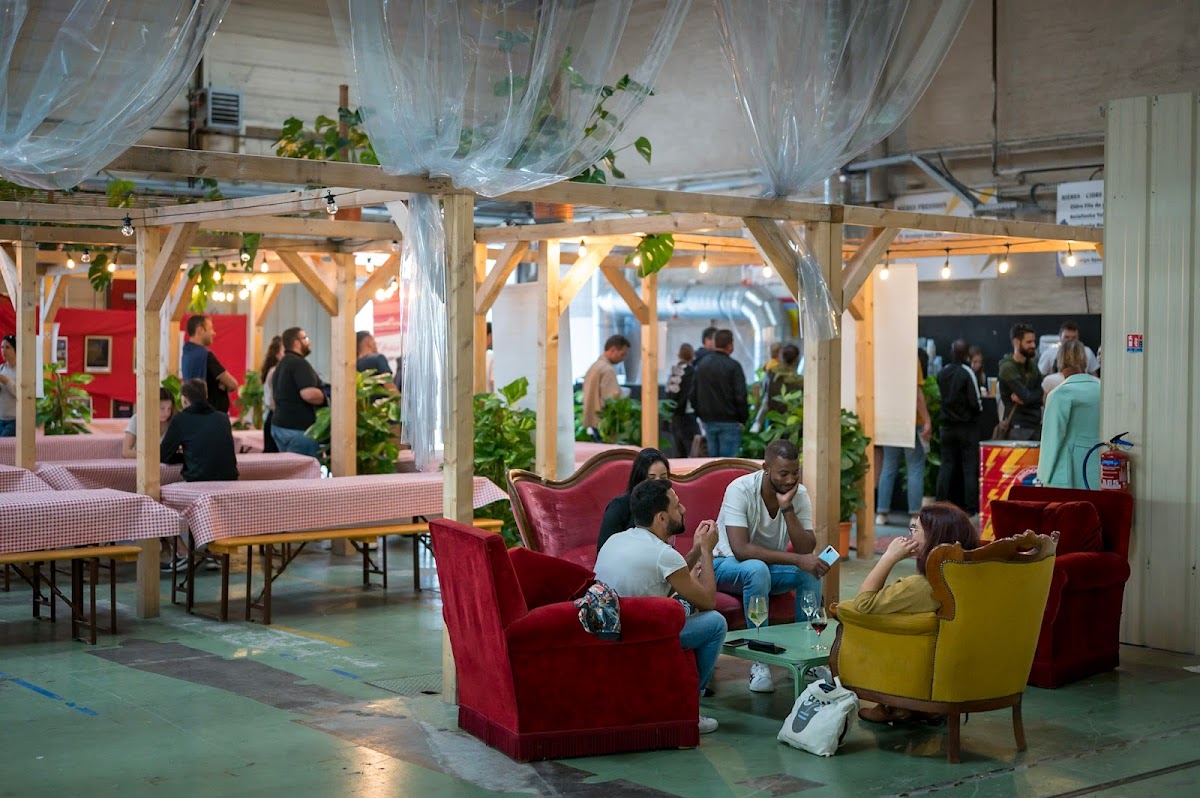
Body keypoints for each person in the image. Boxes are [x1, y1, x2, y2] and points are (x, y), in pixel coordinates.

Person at [594, 478, 727, 735]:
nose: (683, 509)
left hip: (612, 628)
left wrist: (695, 549)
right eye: (677, 506)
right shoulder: (662, 554)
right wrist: (707, 551)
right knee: (715, 623)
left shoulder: (616, 540)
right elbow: (709, 601)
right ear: (662, 518)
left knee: (685, 601)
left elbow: (663, 582)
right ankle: (688, 707)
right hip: (638, 636)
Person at [713, 439, 830, 692]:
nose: (790, 480)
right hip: (724, 566)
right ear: (765, 468)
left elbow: (805, 547)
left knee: (809, 572)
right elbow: (741, 549)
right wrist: (797, 560)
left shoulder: (798, 494)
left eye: (795, 473)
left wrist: (787, 508)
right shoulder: (740, 489)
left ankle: (805, 657)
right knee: (756, 568)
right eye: (783, 473)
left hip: (766, 570)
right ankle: (760, 660)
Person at [850, 502, 980, 725]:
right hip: (962, 667)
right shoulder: (970, 577)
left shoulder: (924, 586)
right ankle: (914, 709)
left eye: (915, 529)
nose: (910, 534)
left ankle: (893, 704)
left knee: (851, 615)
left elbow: (863, 604)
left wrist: (888, 558)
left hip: (920, 665)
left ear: (933, 537)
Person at [1037, 341, 1101, 489]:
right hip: (1098, 470)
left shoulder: (1059, 394)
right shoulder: (1102, 388)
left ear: (1060, 361)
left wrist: (1043, 476)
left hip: (1068, 473)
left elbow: (1052, 438)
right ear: (1085, 359)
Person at [876, 358, 932, 525]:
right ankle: (914, 516)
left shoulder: (884, 360)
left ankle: (881, 513)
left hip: (889, 419)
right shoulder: (911, 358)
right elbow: (917, 393)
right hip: (911, 420)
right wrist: (927, 419)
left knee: (888, 467)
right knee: (915, 468)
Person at [160, 379, 238, 482]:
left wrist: (186, 457)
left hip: (199, 479)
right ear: (206, 396)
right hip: (230, 478)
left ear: (184, 400)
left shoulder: (181, 419)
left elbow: (163, 455)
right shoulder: (223, 418)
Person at [936, 341, 982, 515]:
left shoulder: (943, 372)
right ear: (967, 354)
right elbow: (975, 402)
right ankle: (970, 508)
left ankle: (939, 504)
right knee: (969, 467)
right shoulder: (967, 372)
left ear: (951, 352)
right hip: (966, 427)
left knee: (946, 466)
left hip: (947, 426)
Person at [597, 448, 671, 553]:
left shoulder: (669, 507)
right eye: (651, 479)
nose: (658, 485)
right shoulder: (619, 507)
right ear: (639, 480)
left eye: (663, 478)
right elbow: (604, 552)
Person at [270, 327, 325, 457]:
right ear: (297, 343)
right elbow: (308, 394)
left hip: (279, 426)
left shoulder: (281, 365)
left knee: (290, 467)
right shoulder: (299, 363)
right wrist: (326, 396)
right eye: (305, 338)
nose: (308, 342)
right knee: (304, 468)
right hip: (298, 430)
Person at [692, 329, 748, 458]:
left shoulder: (701, 365)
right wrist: (743, 419)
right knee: (728, 463)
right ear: (730, 345)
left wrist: (701, 416)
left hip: (709, 422)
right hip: (730, 422)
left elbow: (693, 394)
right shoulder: (734, 366)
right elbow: (740, 395)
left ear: (715, 343)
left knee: (713, 463)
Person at [180, 314, 238, 414]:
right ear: (199, 330)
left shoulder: (187, 354)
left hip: (195, 414)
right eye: (210, 328)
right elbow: (233, 384)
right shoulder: (205, 355)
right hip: (212, 416)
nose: (214, 333)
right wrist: (223, 385)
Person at [998, 323, 1043, 441]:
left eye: (1034, 341)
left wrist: (1030, 397)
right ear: (1016, 342)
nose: (1033, 345)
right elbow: (1029, 397)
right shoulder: (1007, 368)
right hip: (1017, 427)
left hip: (1035, 425)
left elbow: (1040, 394)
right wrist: (1032, 397)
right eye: (1028, 342)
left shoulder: (1033, 366)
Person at [581, 334, 631, 441]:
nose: (623, 358)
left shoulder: (595, 366)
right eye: (622, 354)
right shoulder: (608, 370)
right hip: (604, 422)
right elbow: (611, 399)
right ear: (612, 350)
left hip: (592, 419)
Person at [750, 343, 801, 434]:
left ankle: (757, 423)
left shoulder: (772, 373)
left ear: (782, 357)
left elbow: (764, 390)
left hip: (773, 415)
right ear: (796, 359)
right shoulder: (800, 380)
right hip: (792, 419)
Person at [121, 388, 177, 458]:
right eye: (162, 408)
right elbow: (126, 452)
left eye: (169, 409)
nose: (166, 413)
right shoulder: (137, 419)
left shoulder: (173, 422)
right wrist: (152, 456)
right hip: (143, 463)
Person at [665, 344, 699, 457]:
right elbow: (692, 394)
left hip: (674, 416)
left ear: (679, 355)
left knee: (678, 451)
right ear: (692, 355)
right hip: (687, 416)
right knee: (692, 450)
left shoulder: (674, 371)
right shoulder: (691, 372)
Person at [259, 336, 283, 454]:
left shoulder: (273, 370)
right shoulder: (276, 371)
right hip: (275, 416)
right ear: (277, 355)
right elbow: (274, 401)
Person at [0, 334, 17, 437]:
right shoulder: (1, 368)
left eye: (7, 347)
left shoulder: (21, 370)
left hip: (14, 420)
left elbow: (22, 393)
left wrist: (6, 381)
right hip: (1, 418)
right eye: (2, 347)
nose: (4, 350)